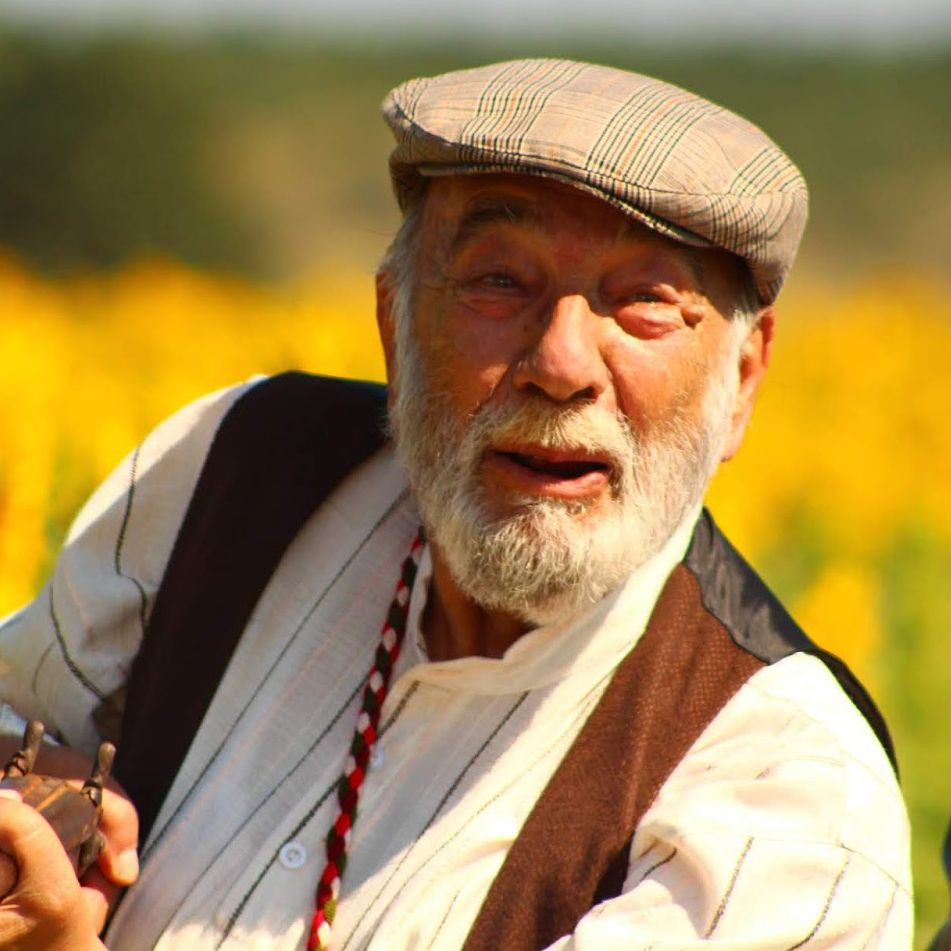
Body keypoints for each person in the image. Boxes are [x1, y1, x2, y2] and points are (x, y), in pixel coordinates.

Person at [0, 58, 911, 949]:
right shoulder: (230, 471)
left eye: (643, 302)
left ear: (742, 380)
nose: (560, 365)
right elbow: (15, 718)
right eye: (498, 280)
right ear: (394, 324)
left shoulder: (783, 799)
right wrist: (39, 807)